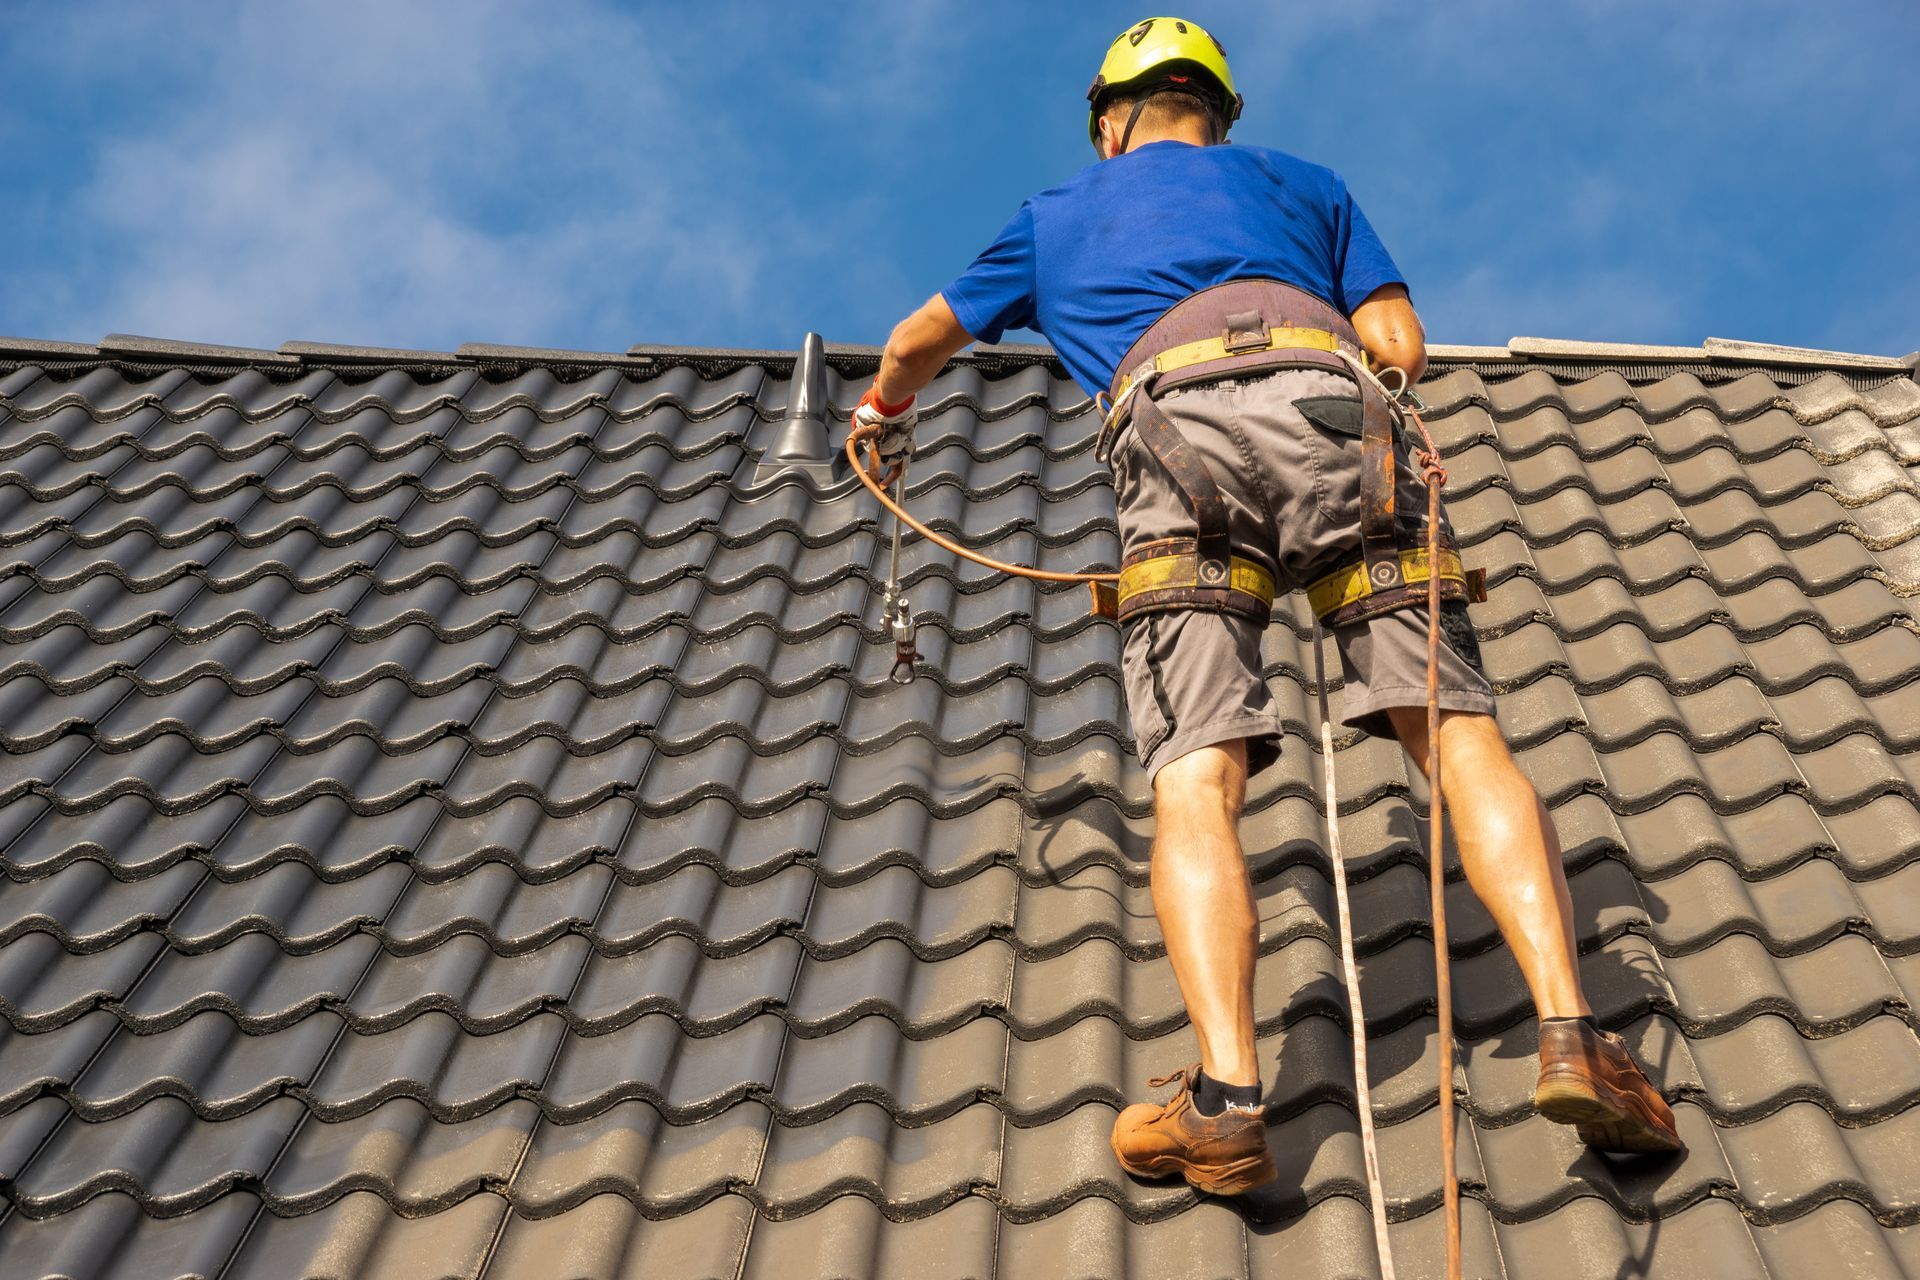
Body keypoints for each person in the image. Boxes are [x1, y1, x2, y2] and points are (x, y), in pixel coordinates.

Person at [849, 15, 1682, 1198]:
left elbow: (917, 339)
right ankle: (1572, 1034)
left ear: (1109, 123)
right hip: (1338, 420)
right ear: (1219, 115)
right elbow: (1397, 341)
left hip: (1173, 435)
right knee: (1457, 734)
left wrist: (879, 417)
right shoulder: (1306, 185)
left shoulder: (1055, 214)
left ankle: (1229, 1103)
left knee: (1197, 775)